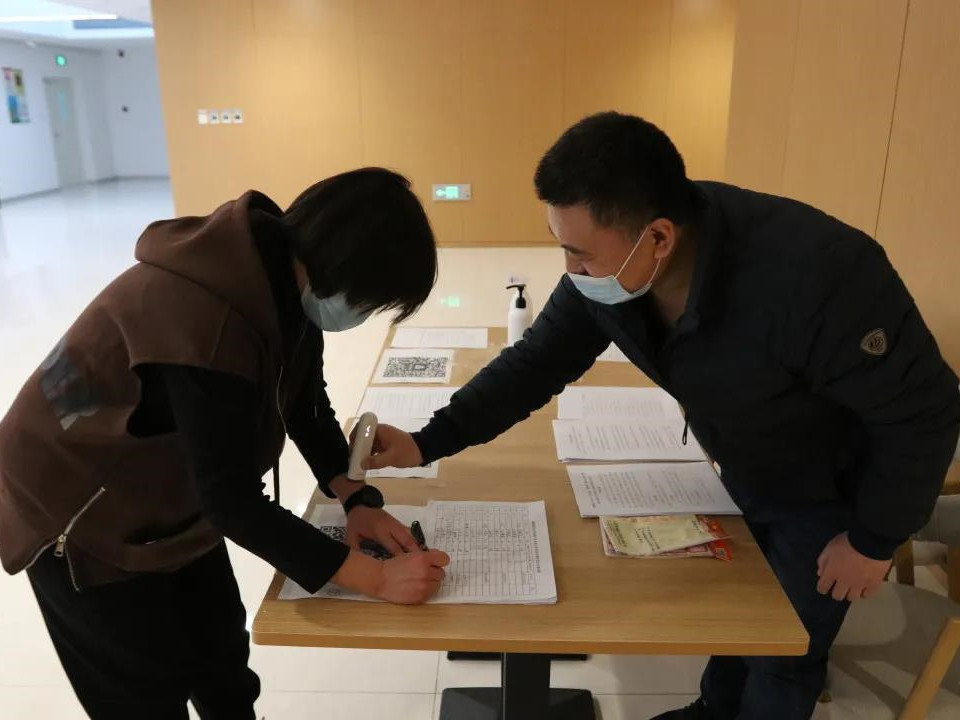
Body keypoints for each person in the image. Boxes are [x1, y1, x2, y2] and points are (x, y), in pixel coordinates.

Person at [360, 113, 960, 720]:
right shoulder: (616, 271)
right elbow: (534, 365)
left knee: (784, 648)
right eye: (561, 246)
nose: (570, 270)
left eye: (580, 253)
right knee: (738, 617)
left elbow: (926, 413)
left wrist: (873, 538)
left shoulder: (821, 275)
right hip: (744, 460)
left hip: (832, 487)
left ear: (659, 238)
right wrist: (427, 440)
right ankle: (713, 709)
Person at [0, 167, 451, 720]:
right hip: (78, 511)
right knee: (141, 691)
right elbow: (232, 501)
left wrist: (356, 499)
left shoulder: (282, 282)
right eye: (371, 301)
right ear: (343, 266)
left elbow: (305, 402)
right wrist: (375, 577)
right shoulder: (205, 319)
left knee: (222, 665)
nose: (364, 315)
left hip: (168, 492)